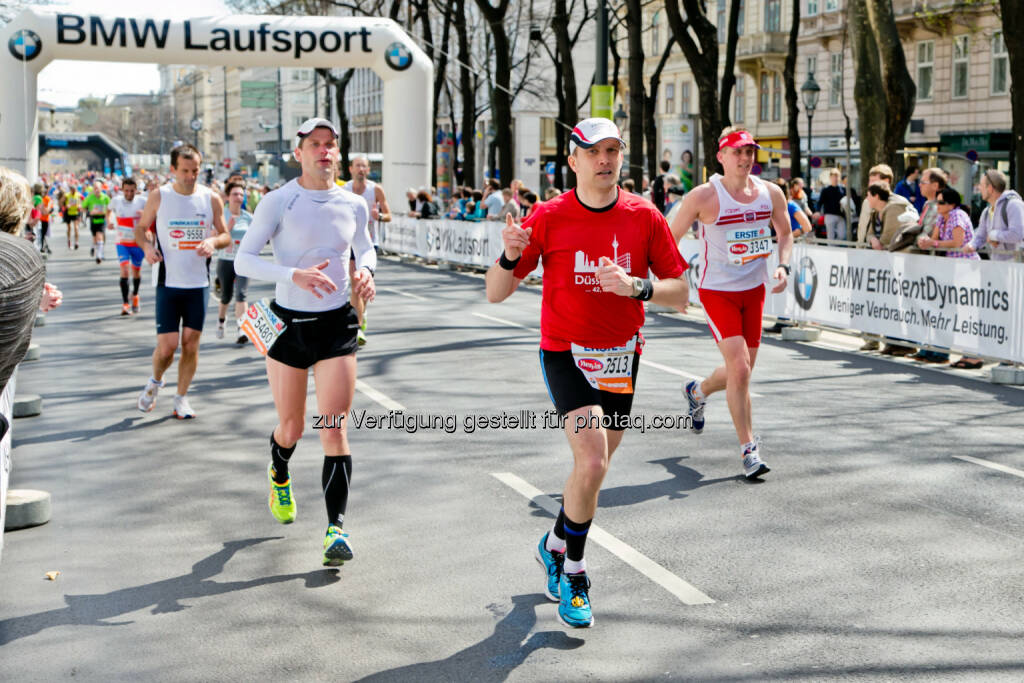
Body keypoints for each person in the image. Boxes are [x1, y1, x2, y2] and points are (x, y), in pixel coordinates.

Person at [485, 117, 689, 629]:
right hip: (565, 351)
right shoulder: (548, 217)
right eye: (594, 151)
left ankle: (554, 543)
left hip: (622, 354)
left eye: (614, 150)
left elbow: (681, 293)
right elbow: (495, 292)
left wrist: (637, 288)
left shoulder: (644, 215)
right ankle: (575, 574)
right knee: (594, 462)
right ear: (572, 160)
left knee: (590, 471)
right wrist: (510, 257)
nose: (605, 160)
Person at [235, 117, 376, 567]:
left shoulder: (354, 204)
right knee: (292, 428)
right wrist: (290, 274)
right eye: (314, 144)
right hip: (287, 325)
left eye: (330, 144)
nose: (324, 151)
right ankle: (279, 469)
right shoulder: (279, 201)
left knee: (333, 428)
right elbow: (243, 261)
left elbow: (367, 247)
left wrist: (367, 272)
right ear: (298, 153)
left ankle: (336, 527)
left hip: (336, 324)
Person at [669, 126, 792, 479]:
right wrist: (675, 286)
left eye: (750, 152)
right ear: (721, 156)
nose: (745, 158)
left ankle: (697, 390)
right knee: (740, 369)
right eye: (737, 152)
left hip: (753, 290)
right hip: (717, 291)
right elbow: (668, 240)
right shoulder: (704, 196)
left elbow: (785, 234)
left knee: (743, 370)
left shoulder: (771, 193)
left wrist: (782, 266)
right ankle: (749, 449)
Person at [134, 144, 230, 419]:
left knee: (190, 343)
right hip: (168, 281)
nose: (190, 176)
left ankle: (181, 398)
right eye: (185, 171)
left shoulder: (211, 198)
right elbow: (141, 229)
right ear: (173, 169)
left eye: (195, 171)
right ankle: (155, 381)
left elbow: (225, 235)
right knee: (167, 347)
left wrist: (213, 241)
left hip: (198, 283)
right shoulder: (159, 196)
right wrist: (147, 249)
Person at [340, 154, 392, 346]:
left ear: (368, 170)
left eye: (364, 166)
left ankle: (362, 315)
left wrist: (379, 216)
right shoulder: (343, 190)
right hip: (349, 243)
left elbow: (389, 215)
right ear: (351, 169)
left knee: (362, 287)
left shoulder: (375, 189)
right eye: (357, 166)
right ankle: (358, 328)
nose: (361, 169)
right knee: (356, 286)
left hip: (369, 244)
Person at [909, 167, 949, 362]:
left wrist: (922, 238)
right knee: (926, 303)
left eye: (923, 182)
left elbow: (934, 230)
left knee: (939, 305)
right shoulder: (927, 204)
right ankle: (928, 345)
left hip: (938, 260)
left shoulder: (941, 205)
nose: (920, 185)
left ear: (935, 185)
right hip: (926, 259)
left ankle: (940, 349)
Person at [215, 181, 252, 342]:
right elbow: (214, 238)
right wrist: (227, 230)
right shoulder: (221, 215)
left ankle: (242, 329)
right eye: (235, 194)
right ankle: (221, 322)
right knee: (226, 296)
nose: (238, 197)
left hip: (243, 261)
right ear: (228, 197)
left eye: (241, 195)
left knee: (241, 295)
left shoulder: (248, 217)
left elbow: (255, 239)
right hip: (225, 260)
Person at [963, 169, 1024, 261]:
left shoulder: (1014, 204)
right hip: (997, 267)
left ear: (990, 188)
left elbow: (1017, 234)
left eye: (982, 185)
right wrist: (972, 245)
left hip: (1016, 269)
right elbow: (980, 236)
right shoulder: (987, 212)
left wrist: (993, 235)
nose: (979, 188)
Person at [110, 178, 147, 315]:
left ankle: (135, 295)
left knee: (136, 272)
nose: (129, 194)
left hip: (137, 243)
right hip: (122, 242)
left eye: (132, 191)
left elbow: (153, 218)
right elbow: (109, 212)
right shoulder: (116, 201)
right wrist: (109, 221)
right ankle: (125, 303)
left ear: (136, 191)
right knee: (125, 270)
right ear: (122, 190)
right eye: (126, 191)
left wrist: (145, 216)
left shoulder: (143, 202)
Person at [83, 180, 111, 264]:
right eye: (95, 188)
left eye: (98, 188)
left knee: (100, 236)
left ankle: (99, 255)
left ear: (101, 188)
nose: (96, 190)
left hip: (102, 219)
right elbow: (82, 207)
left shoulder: (105, 197)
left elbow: (110, 208)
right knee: (95, 238)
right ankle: (94, 247)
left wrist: (108, 218)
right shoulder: (89, 198)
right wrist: (89, 212)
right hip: (93, 219)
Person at [818, 169, 846, 243]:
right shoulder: (826, 190)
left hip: (841, 215)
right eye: (833, 177)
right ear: (830, 177)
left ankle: (834, 247)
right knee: (830, 236)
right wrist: (817, 211)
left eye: (837, 177)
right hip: (829, 215)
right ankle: (831, 250)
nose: (835, 179)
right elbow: (820, 202)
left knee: (842, 235)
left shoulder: (843, 189)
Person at [62, 183, 83, 250]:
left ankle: (76, 242)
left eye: (75, 190)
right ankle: (69, 240)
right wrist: (65, 206)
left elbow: (84, 201)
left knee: (76, 228)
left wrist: (80, 206)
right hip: (68, 212)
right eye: (72, 190)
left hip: (76, 212)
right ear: (70, 190)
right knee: (69, 228)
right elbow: (61, 202)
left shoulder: (78, 194)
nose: (74, 191)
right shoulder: (67, 195)